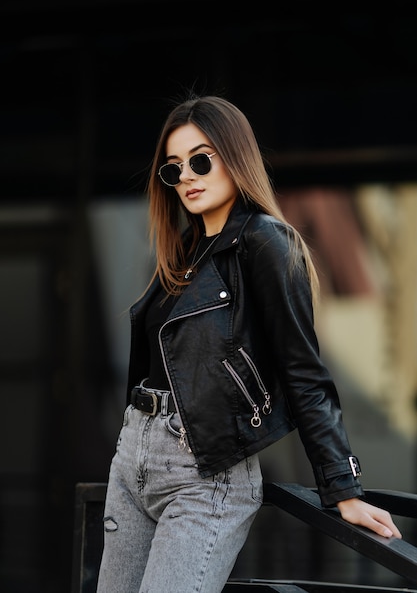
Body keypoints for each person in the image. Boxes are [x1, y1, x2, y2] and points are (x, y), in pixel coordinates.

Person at [96, 94, 401, 593]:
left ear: (235, 158)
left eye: (200, 160)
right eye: (174, 169)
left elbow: (304, 373)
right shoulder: (185, 253)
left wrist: (343, 488)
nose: (187, 177)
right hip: (133, 462)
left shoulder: (266, 243)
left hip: (204, 474)